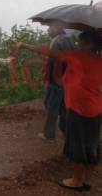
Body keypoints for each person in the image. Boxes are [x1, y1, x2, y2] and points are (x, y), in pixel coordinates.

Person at [14, 30, 102, 192]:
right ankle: (86, 180)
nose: (77, 44)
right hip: (96, 109)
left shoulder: (77, 57)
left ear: (90, 44)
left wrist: (24, 45)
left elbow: (48, 52)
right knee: (92, 144)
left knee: (78, 144)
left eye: (81, 42)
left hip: (79, 109)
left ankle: (76, 181)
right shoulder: (99, 60)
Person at [41, 25, 75, 141]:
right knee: (63, 107)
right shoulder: (70, 40)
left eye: (50, 27)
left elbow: (52, 60)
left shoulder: (57, 41)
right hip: (66, 80)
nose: (48, 30)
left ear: (57, 28)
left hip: (56, 80)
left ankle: (49, 135)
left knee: (51, 106)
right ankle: (66, 131)